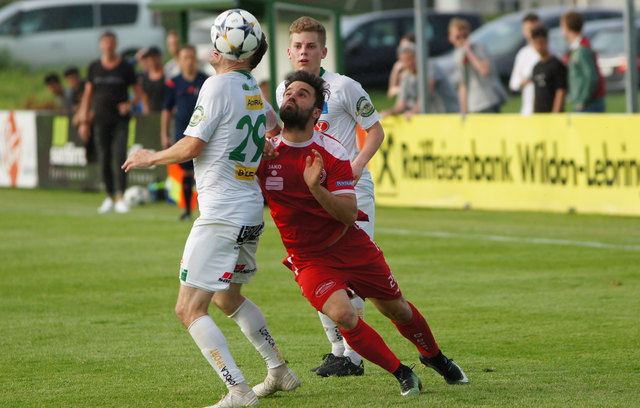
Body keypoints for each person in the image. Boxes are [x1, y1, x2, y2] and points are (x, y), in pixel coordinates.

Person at [121, 12, 299, 407]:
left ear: (223, 45)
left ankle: (238, 390)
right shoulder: (251, 85)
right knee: (227, 299)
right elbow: (272, 126)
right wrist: (262, 145)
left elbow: (191, 147)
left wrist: (150, 157)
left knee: (188, 308)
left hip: (221, 213)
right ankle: (279, 370)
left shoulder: (216, 86)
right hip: (250, 210)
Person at [259, 69, 470, 397]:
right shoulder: (264, 153)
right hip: (309, 258)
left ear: (316, 112)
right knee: (343, 313)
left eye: (302, 94)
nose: (291, 96)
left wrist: (316, 187)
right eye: (289, 92)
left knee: (396, 309)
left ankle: (436, 358)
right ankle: (402, 373)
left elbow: (346, 213)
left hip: (350, 245)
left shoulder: (331, 153)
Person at [275, 16, 386, 378]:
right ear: (289, 52)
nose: (304, 52)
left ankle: (354, 355)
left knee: (351, 272)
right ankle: (338, 349)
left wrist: (355, 165)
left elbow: (375, 131)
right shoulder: (285, 90)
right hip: (311, 196)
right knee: (317, 272)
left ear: (323, 51)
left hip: (348, 190)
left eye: (311, 46)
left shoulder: (344, 87)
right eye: (298, 46)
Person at [78, 31, 143, 214]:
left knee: (120, 156)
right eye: (106, 43)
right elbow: (88, 94)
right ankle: (109, 196)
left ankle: (121, 196)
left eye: (112, 43)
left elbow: (138, 93)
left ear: (116, 44)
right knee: (104, 157)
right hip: (100, 120)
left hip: (120, 120)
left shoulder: (125, 67)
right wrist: (84, 121)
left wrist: (129, 104)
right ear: (101, 45)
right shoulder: (94, 67)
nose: (109, 46)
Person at [161, 44, 208, 221]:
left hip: (203, 130)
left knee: (203, 170)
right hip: (182, 131)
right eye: (185, 58)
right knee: (187, 171)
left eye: (191, 57)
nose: (189, 61)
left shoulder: (205, 80)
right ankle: (188, 210)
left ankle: (205, 210)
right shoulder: (174, 83)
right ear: (179, 61)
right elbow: (166, 109)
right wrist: (164, 134)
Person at [381, 42, 458, 118]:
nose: (410, 63)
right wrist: (389, 113)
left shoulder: (430, 67)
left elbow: (427, 93)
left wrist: (413, 112)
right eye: (406, 60)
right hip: (434, 119)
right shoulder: (406, 78)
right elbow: (401, 105)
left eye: (411, 58)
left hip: (450, 115)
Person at [448, 17, 507, 114]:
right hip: (473, 105)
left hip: (488, 101)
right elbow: (462, 85)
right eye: (458, 37)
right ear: (451, 38)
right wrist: (463, 110)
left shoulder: (478, 48)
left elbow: (484, 70)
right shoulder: (457, 55)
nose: (462, 40)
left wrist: (469, 52)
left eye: (465, 36)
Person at [561, 10, 606, 113]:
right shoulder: (578, 48)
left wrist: (582, 100)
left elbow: (591, 76)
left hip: (588, 105)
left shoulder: (582, 49)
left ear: (566, 27)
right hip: (585, 103)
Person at [509, 13, 541, 116]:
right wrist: (526, 81)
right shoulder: (523, 54)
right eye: (528, 30)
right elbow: (514, 84)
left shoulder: (550, 51)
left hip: (547, 109)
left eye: (534, 29)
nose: (532, 33)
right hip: (528, 111)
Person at [531, 26, 567, 113]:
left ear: (547, 42)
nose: (539, 46)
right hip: (539, 115)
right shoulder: (536, 67)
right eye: (536, 43)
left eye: (541, 42)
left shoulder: (557, 65)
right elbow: (536, 93)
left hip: (552, 114)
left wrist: (555, 113)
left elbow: (561, 91)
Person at [387, 33, 416, 99]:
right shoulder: (398, 67)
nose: (403, 50)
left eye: (407, 47)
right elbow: (391, 91)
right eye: (401, 47)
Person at [140, 46, 165, 113]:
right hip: (152, 113)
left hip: (167, 113)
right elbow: (145, 98)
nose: (152, 59)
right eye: (150, 57)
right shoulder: (144, 77)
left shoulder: (168, 74)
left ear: (160, 57)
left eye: (154, 56)